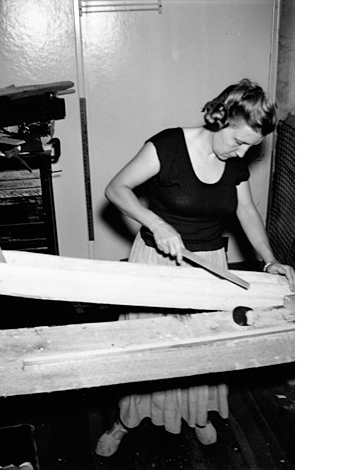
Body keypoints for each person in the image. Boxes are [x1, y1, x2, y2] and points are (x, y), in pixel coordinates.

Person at [95, 78, 295, 457]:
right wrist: (155, 223)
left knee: (203, 349)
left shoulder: (234, 163)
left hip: (210, 266)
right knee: (149, 349)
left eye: (250, 148)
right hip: (157, 260)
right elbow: (116, 188)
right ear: (222, 119)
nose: (241, 155)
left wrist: (269, 259)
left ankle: (196, 414)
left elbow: (246, 212)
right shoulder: (167, 145)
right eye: (239, 142)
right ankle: (125, 421)